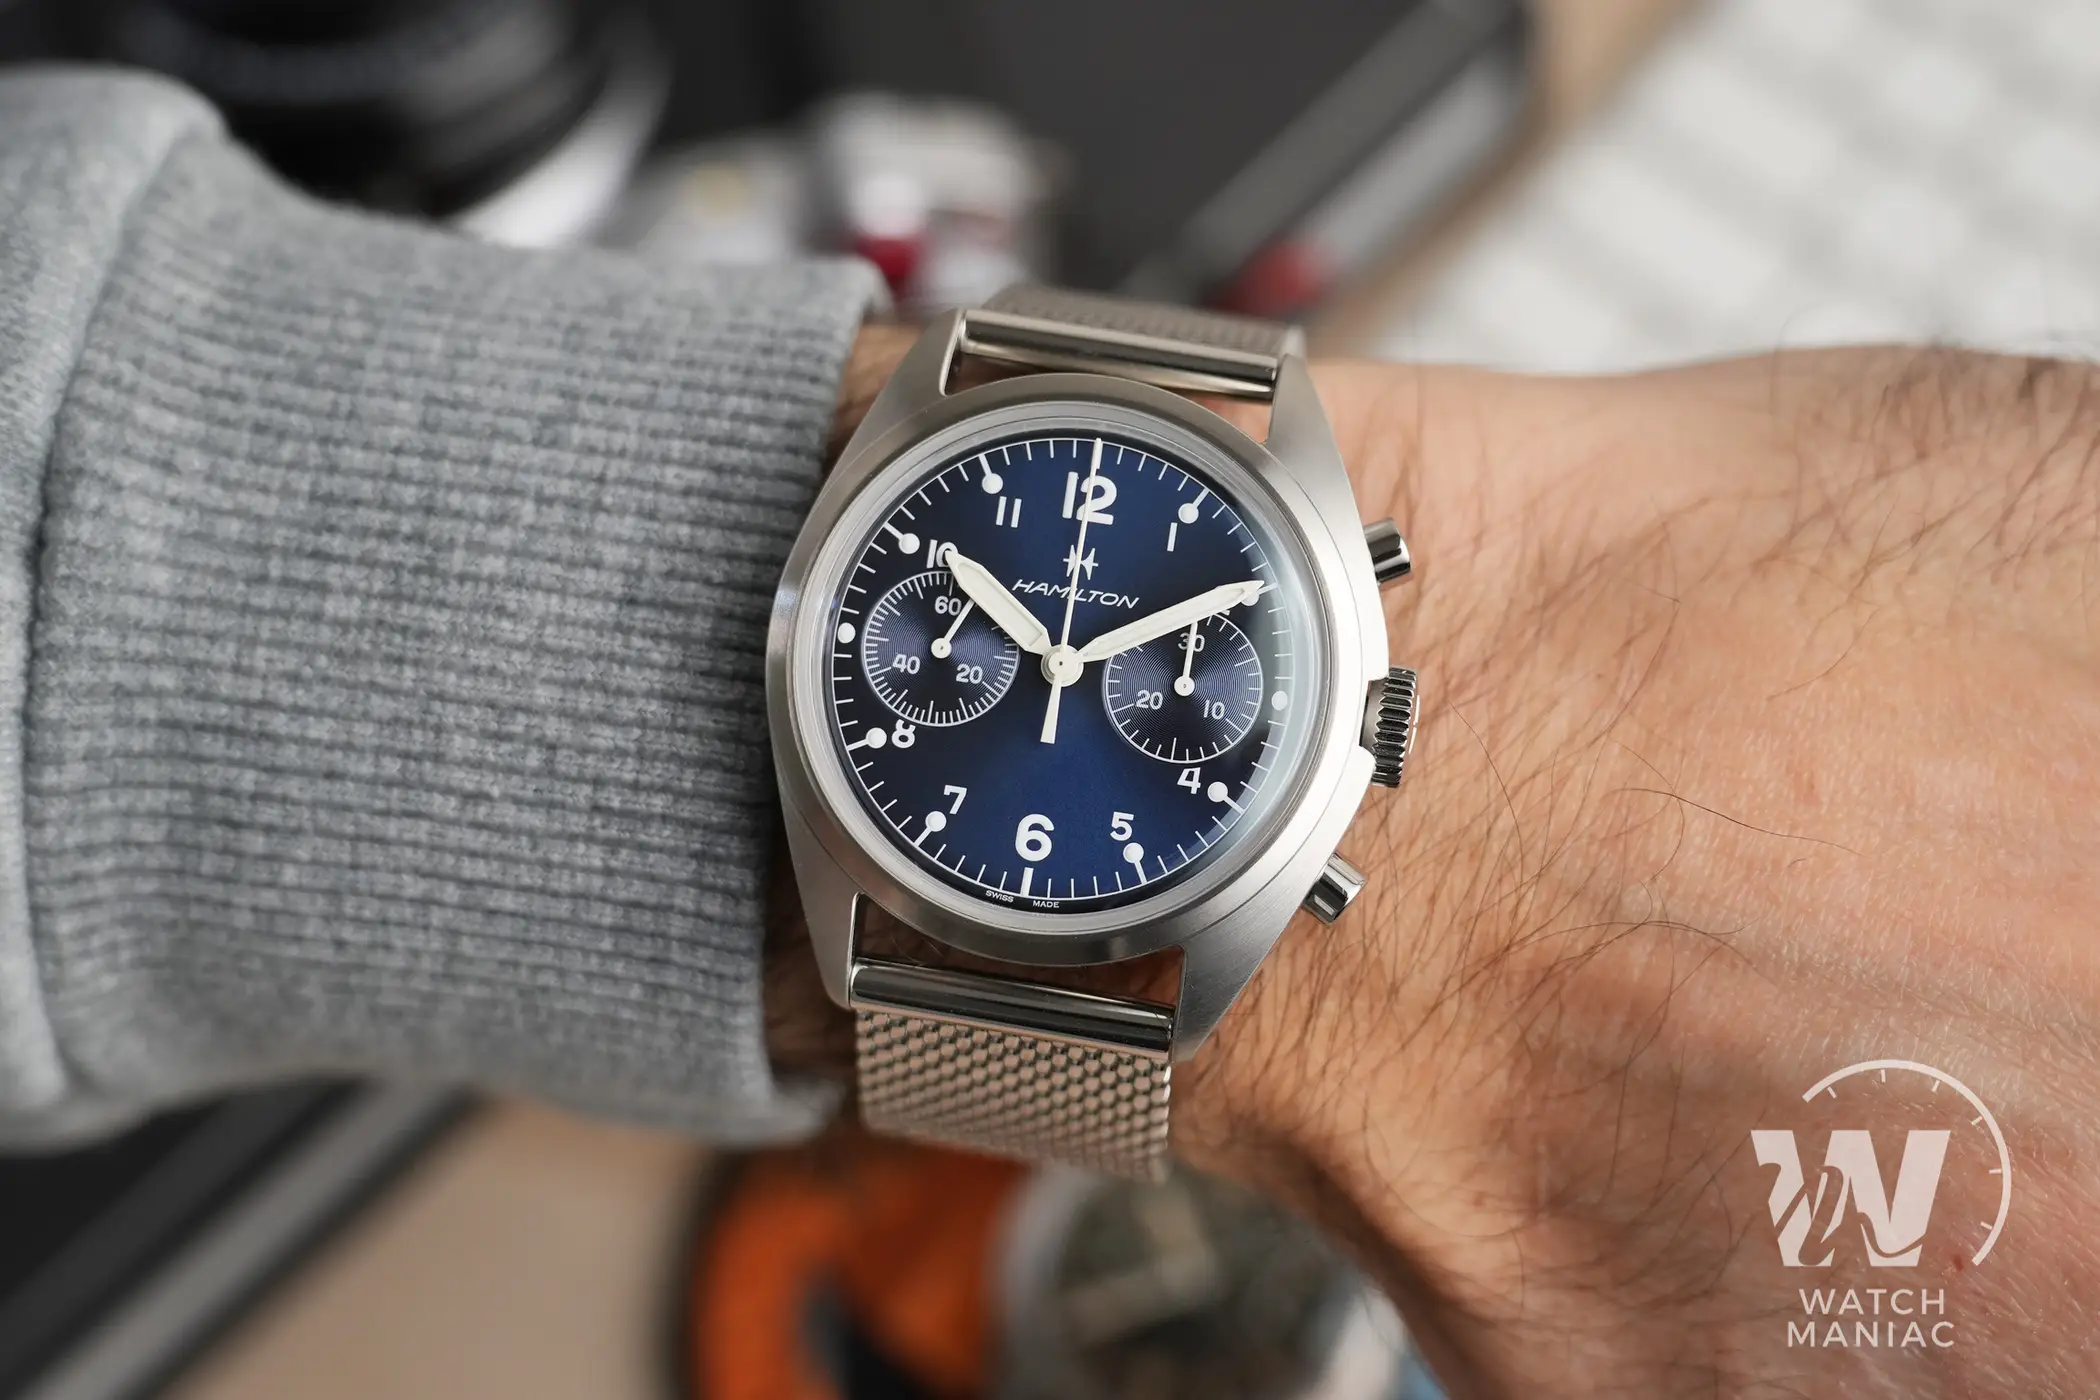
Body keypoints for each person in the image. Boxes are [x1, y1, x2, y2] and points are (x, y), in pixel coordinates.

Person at [2, 70, 2093, 1397]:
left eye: (1146, 677)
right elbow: (901, 566)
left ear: (1367, 732)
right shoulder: (970, 622)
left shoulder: (1276, 777)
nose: (1080, 687)